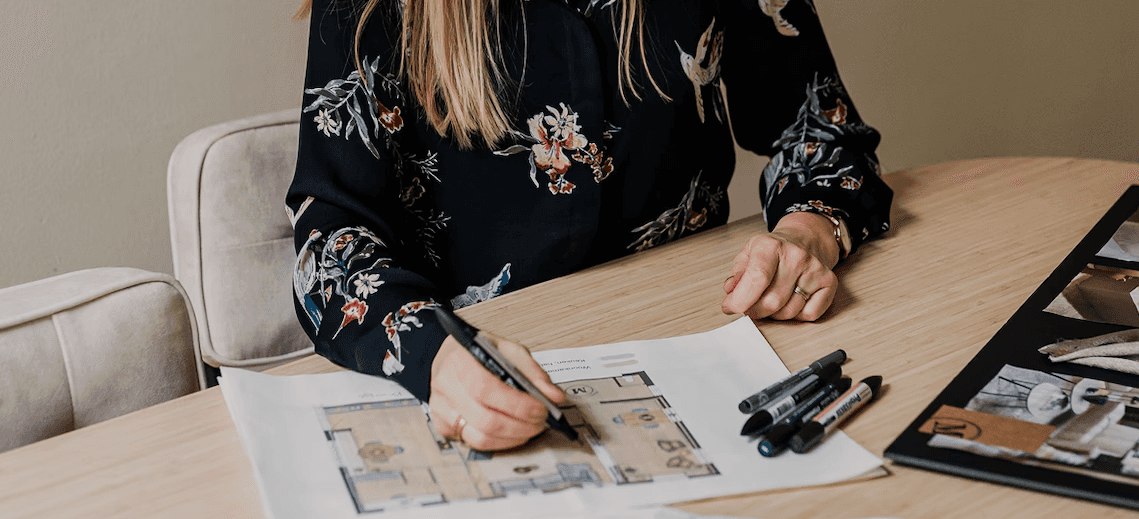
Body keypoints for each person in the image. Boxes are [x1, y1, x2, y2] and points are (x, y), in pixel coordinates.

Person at [288, 0, 892, 451]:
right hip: (491, 385)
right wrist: (433, 353)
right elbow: (331, 237)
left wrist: (806, 232)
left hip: (716, 352)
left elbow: (818, 123)